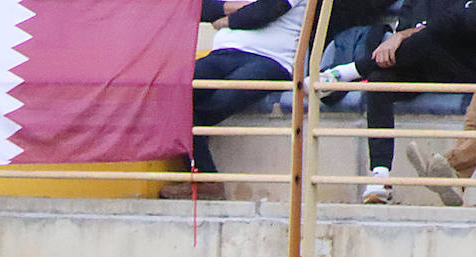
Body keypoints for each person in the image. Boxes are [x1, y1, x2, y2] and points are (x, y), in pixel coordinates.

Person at [315, 0, 476, 203]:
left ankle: (348, 72)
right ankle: (380, 177)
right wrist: (401, 37)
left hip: (464, 64)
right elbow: (407, 29)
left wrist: (405, 35)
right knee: (380, 80)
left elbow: (461, 21)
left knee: (426, 37)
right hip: (424, 60)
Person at [161, 0, 307, 200]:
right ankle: (205, 179)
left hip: (270, 59)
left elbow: (264, 12)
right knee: (171, 92)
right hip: (222, 55)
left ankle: (205, 180)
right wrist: (238, 9)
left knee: (215, 104)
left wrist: (227, 20)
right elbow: (201, 9)